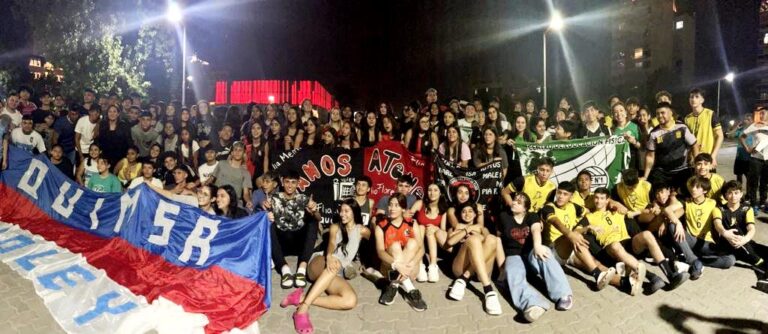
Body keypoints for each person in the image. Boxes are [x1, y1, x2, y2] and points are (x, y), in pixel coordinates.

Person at [280, 199, 371, 334]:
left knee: (350, 300)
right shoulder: (335, 227)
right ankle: (302, 310)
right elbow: (332, 243)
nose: (342, 214)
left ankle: (300, 298)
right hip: (319, 262)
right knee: (334, 265)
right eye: (341, 211)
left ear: (355, 213)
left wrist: (366, 266)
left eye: (346, 211)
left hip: (335, 272)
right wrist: (329, 256)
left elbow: (371, 246)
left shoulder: (362, 230)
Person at [584, 188, 689, 296]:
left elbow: (632, 213)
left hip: (627, 243)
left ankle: (671, 275)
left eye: (602, 198)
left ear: (607, 200)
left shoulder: (617, 211)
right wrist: (587, 227)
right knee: (615, 245)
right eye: (596, 198)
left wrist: (653, 210)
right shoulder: (589, 217)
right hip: (611, 248)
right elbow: (576, 231)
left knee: (647, 234)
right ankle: (652, 277)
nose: (598, 201)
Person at [501, 192, 573, 322]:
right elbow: (497, 240)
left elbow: (535, 230)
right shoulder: (504, 216)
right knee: (513, 272)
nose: (515, 202)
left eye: (519, 202)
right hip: (513, 255)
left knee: (544, 251)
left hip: (530, 254)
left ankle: (562, 294)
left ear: (525, 208)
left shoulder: (531, 216)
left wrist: (538, 246)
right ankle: (532, 304)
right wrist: (501, 267)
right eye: (514, 200)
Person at [539, 181, 618, 290]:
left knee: (595, 263)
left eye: (565, 194)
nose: (561, 197)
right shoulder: (548, 207)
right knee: (574, 237)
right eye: (559, 193)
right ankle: (597, 275)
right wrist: (571, 234)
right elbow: (555, 221)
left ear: (571, 197)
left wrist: (611, 204)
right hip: (554, 251)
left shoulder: (573, 206)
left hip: (571, 249)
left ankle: (624, 282)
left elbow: (589, 212)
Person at [664, 177, 735, 272]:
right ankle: (692, 260)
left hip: (707, 244)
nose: (693, 189)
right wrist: (678, 223)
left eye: (697, 187)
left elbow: (725, 213)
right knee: (673, 226)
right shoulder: (686, 202)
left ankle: (697, 260)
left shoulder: (713, 203)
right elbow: (667, 209)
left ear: (705, 190)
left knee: (730, 260)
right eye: (692, 186)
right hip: (691, 240)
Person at [266, 171, 322, 289]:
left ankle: (302, 268)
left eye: (293, 182)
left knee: (312, 222)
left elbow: (319, 218)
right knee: (268, 224)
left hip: (298, 243)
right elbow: (259, 218)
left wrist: (314, 211)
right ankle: (284, 269)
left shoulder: (304, 198)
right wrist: (265, 215)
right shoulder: (273, 199)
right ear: (282, 182)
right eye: (287, 182)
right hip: (281, 244)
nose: (290, 185)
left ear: (298, 183)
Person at [374, 193, 428, 311]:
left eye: (396, 205)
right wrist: (397, 265)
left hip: (410, 269)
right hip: (389, 269)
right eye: (390, 205)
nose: (392, 208)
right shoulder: (381, 226)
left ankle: (394, 286)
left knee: (413, 243)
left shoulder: (411, 223)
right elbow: (380, 252)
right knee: (395, 246)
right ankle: (410, 290)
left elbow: (422, 249)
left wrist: (413, 263)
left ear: (403, 208)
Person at [715, 181, 768, 293]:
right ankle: (762, 269)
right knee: (736, 231)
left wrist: (745, 239)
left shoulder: (747, 209)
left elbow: (751, 228)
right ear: (725, 195)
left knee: (764, 250)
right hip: (727, 245)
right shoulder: (719, 209)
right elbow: (718, 225)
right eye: (729, 193)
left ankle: (762, 273)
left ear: (741, 194)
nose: (733, 196)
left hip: (744, 242)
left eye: (736, 192)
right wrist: (725, 233)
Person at [644, 102, 699, 194]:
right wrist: (645, 176)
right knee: (658, 195)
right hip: (663, 172)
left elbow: (694, 145)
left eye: (662, 113)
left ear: (671, 113)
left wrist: (696, 167)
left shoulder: (682, 127)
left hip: (682, 170)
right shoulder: (654, 133)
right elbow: (650, 156)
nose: (659, 116)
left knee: (686, 193)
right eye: (657, 114)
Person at [416, 183, 449, 283]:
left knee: (430, 229)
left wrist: (435, 228)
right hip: (418, 238)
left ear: (440, 193)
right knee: (421, 227)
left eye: (435, 190)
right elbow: (408, 216)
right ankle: (420, 265)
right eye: (430, 190)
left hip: (432, 241)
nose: (432, 192)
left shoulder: (443, 210)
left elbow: (443, 230)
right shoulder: (420, 203)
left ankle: (433, 266)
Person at [207, 141, 253, 209]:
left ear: (244, 154)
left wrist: (249, 201)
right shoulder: (221, 164)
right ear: (231, 152)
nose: (237, 152)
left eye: (240, 150)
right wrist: (202, 188)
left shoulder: (246, 173)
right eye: (235, 150)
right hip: (218, 198)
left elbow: (246, 194)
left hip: (234, 202)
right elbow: (211, 180)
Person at [685, 88, 723, 167]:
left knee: (709, 179)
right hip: (693, 160)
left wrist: (713, 156)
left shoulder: (710, 114)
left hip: (707, 159)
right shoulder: (687, 118)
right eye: (691, 97)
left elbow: (720, 136)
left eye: (696, 97)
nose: (693, 99)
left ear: (702, 100)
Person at [740, 110, 768, 210]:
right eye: (760, 113)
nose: (761, 115)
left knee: (765, 182)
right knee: (754, 182)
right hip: (756, 158)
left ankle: (762, 202)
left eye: (763, 113)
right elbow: (742, 137)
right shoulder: (755, 126)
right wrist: (747, 148)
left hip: (767, 158)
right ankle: (753, 203)